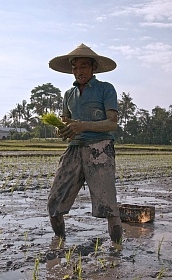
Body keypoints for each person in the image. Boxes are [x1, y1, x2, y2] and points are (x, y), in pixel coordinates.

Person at [47, 43, 123, 244]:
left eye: (83, 66)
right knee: (54, 202)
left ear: (93, 68)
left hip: (100, 149)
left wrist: (83, 126)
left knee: (108, 205)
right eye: (74, 67)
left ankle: (116, 249)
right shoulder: (68, 95)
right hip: (74, 150)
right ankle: (59, 242)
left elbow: (112, 124)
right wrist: (61, 130)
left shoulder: (106, 89)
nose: (78, 71)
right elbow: (66, 123)